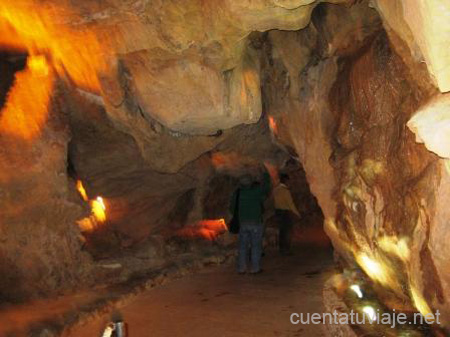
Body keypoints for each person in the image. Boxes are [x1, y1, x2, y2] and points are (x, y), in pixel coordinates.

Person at [230, 167, 271, 274]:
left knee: (242, 246)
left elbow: (232, 209)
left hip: (243, 223)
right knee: (256, 245)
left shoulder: (237, 194)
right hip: (255, 223)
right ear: (250, 183)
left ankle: (241, 268)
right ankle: (255, 268)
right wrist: (266, 174)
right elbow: (266, 188)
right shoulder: (256, 192)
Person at [273, 173, 300, 255]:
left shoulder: (275, 190)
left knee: (282, 231)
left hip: (278, 211)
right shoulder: (285, 191)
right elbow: (290, 203)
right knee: (288, 231)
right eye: (288, 181)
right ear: (286, 181)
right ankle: (287, 249)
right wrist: (297, 213)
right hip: (285, 213)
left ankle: (281, 249)